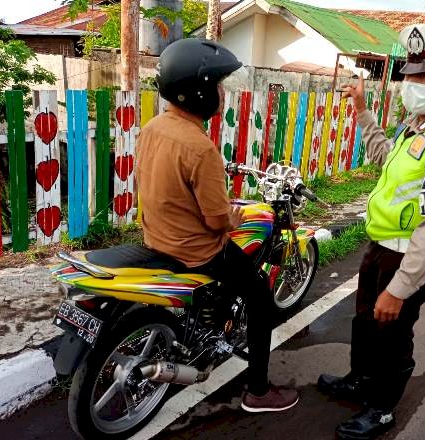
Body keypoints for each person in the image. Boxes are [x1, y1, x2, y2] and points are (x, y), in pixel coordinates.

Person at [317, 24, 425, 439]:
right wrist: (362, 110)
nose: (411, 84)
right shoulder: (416, 126)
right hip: (380, 247)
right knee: (365, 323)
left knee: (392, 334)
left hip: (409, 259)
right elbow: (383, 155)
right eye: (409, 75)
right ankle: (360, 380)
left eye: (423, 77)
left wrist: (401, 286)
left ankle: (383, 408)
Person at [136, 38, 299, 413]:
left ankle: (217, 319)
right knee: (260, 296)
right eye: (217, 85)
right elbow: (217, 221)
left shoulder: (154, 127)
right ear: (197, 92)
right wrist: (237, 215)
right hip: (196, 252)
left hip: (157, 237)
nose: (222, 94)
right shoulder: (200, 147)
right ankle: (258, 391)